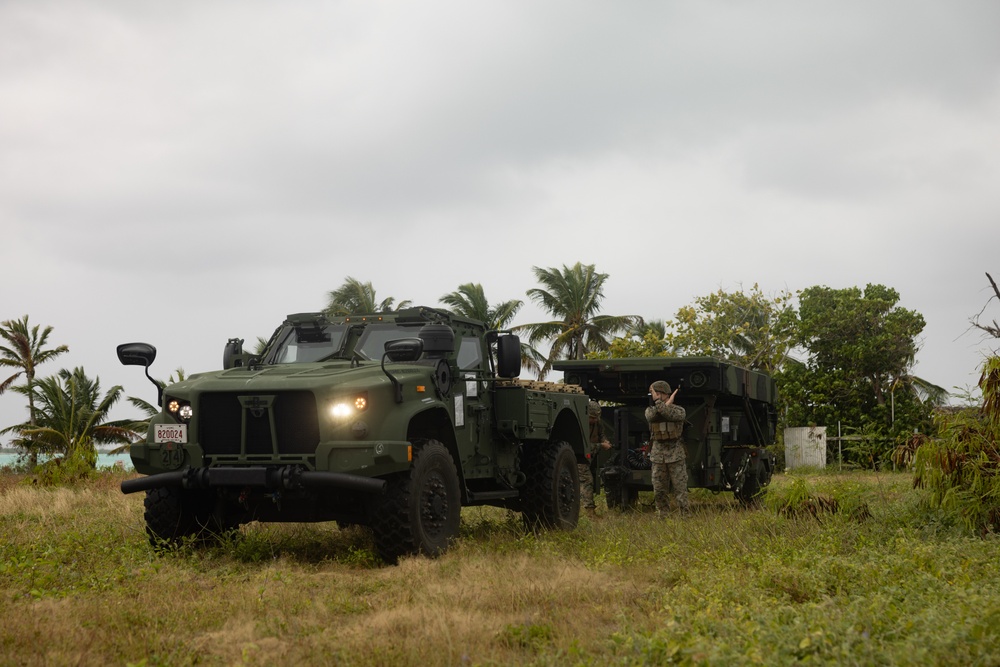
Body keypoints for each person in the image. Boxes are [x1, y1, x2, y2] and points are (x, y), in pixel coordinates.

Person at [645, 380, 690, 517]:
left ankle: (685, 515)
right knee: (659, 489)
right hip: (658, 455)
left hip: (676, 454)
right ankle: (663, 514)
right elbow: (652, 417)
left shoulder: (679, 410)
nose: (656, 397)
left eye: (658, 394)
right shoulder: (650, 410)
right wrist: (662, 404)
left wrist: (660, 403)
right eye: (654, 394)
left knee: (680, 488)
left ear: (666, 394)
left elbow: (669, 414)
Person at [580, 400, 612, 517]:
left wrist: (604, 440)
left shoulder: (597, 422)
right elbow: (582, 446)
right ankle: (589, 511)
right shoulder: (580, 425)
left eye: (597, 417)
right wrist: (601, 445)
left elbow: (601, 434)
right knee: (587, 481)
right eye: (592, 418)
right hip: (579, 458)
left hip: (590, 458)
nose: (595, 420)